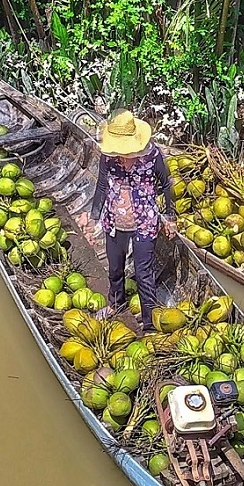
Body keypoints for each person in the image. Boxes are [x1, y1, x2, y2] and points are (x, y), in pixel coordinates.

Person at [85, 110, 176, 330]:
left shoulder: (153, 155)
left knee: (144, 274)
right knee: (115, 267)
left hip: (145, 221)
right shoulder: (108, 156)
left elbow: (166, 185)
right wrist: (94, 216)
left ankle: (149, 323)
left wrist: (170, 217)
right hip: (114, 220)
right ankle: (115, 303)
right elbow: (102, 185)